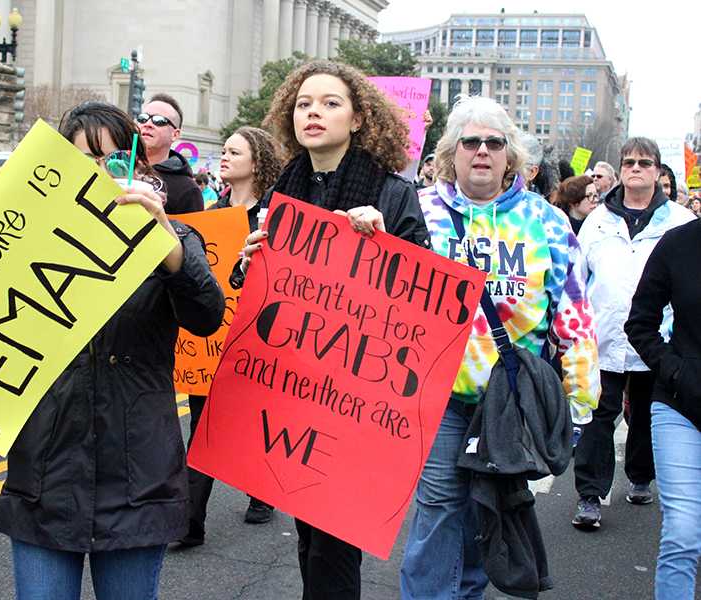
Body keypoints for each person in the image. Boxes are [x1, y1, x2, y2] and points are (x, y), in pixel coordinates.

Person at [0, 100, 225, 600]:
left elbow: (206, 318)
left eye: (110, 159)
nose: (96, 172)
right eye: (81, 161)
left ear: (137, 164)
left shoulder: (173, 236)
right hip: (48, 469)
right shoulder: (29, 244)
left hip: (138, 473)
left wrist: (164, 240)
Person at [240, 60, 428, 600]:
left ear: (359, 118)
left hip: (359, 391)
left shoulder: (393, 193)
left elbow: (422, 298)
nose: (313, 113)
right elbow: (258, 297)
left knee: (333, 536)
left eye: (329, 103)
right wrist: (249, 260)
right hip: (296, 385)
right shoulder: (282, 195)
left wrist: (387, 242)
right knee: (307, 528)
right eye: (303, 104)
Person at [402, 95, 599, 598]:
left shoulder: (547, 221)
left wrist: (578, 404)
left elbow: (573, 314)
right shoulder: (419, 212)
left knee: (484, 510)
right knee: (439, 506)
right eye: (472, 141)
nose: (483, 150)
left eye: (495, 142)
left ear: (510, 154)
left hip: (509, 401)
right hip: (437, 395)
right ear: (452, 152)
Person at [572, 137, 696, 530]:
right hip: (603, 336)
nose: (636, 168)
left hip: (657, 342)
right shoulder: (598, 220)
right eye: (629, 162)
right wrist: (574, 327)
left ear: (659, 171)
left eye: (645, 162)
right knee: (598, 415)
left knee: (643, 416)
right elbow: (578, 276)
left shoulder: (680, 222)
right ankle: (590, 495)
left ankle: (641, 476)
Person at [181, 126, 284, 547]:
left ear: (256, 162)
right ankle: (190, 523)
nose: (223, 157)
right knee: (203, 426)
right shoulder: (212, 211)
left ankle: (261, 492)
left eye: (233, 152)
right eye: (222, 151)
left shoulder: (276, 214)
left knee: (255, 421)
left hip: (262, 336)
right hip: (213, 336)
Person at [625, 219, 701, 600]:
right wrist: (676, 371)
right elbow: (640, 323)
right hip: (680, 408)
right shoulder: (677, 244)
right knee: (684, 532)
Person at [138, 93, 203, 215]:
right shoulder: (117, 168)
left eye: (159, 121)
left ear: (175, 134)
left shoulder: (188, 189)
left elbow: (191, 233)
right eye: (142, 118)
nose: (147, 124)